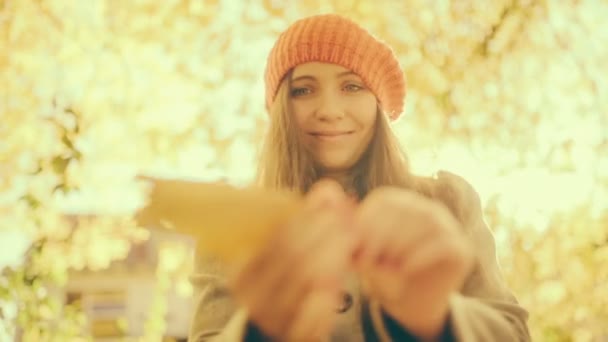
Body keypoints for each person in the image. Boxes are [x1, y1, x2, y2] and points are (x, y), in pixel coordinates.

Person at [184, 14, 531, 341]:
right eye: (303, 90)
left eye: (352, 87)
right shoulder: (234, 223)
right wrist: (260, 329)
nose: (330, 111)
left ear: (378, 105)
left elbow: (512, 332)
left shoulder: (447, 202)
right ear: (278, 110)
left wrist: (433, 318)